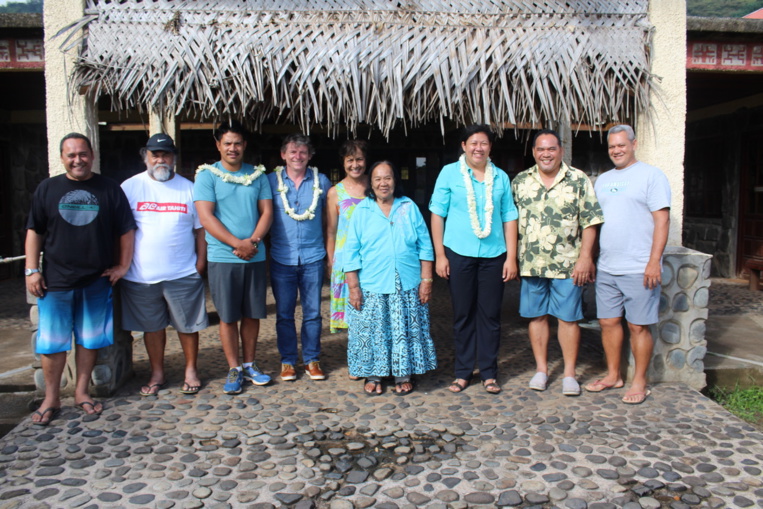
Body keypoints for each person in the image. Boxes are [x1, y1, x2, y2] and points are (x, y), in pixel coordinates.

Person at [25, 133, 136, 425]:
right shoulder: (47, 189)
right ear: (62, 157)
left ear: (92, 155)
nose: (78, 160)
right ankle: (51, 398)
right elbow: (34, 231)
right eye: (72, 155)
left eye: (83, 154)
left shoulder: (109, 189)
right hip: (55, 281)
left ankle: (82, 392)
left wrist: (123, 266)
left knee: (89, 341)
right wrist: (31, 270)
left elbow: (126, 229)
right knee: (52, 344)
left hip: (96, 280)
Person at [512, 129, 604, 396]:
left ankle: (569, 374)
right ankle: (541, 370)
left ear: (560, 151)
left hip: (568, 263)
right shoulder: (520, 181)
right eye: (541, 149)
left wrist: (586, 258)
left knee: (569, 318)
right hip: (532, 263)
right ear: (533, 152)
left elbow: (590, 221)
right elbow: (511, 223)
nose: (546, 154)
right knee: (536, 316)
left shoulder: (578, 179)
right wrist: (512, 258)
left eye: (551, 149)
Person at [429, 124, 519, 395]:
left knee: (490, 316)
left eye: (484, 143)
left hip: (494, 256)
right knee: (463, 314)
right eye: (473, 143)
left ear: (490, 147)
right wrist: (440, 255)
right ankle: (463, 372)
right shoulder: (449, 173)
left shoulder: (500, 177)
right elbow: (437, 214)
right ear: (464, 146)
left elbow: (509, 216)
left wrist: (511, 258)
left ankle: (490, 373)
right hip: (458, 253)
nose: (479, 148)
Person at [586, 124, 671, 405]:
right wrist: (592, 258)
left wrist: (654, 262)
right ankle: (613, 375)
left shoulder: (652, 176)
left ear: (634, 144)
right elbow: (596, 224)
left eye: (622, 145)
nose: (617, 150)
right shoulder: (603, 180)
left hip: (639, 267)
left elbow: (662, 220)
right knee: (608, 322)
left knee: (638, 326)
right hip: (608, 265)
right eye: (612, 146)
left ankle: (639, 381)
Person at [120, 134, 208, 396]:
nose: (161, 160)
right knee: (152, 327)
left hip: (183, 272)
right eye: (155, 155)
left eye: (166, 155)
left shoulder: (189, 188)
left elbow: (201, 230)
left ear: (174, 159)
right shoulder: (129, 187)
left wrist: (200, 263)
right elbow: (121, 231)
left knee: (188, 326)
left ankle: (191, 369)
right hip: (141, 276)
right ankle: (157, 372)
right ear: (145, 157)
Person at [193, 122, 273, 395]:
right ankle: (234, 367)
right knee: (228, 316)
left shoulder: (258, 175)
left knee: (252, 314)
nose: (232, 148)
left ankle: (250, 364)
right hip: (223, 257)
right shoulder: (207, 176)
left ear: (244, 145)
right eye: (227, 143)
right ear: (218, 145)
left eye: (237, 143)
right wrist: (236, 244)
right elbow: (206, 217)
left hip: (254, 255)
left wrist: (252, 242)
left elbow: (266, 213)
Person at [344, 161, 437, 395]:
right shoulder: (362, 210)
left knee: (403, 330)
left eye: (387, 178)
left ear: (395, 181)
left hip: (405, 280)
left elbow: (425, 245)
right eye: (377, 179)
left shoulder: (408, 207)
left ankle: (403, 374)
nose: (383, 183)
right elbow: (351, 251)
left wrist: (426, 280)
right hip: (372, 282)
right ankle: (373, 375)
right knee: (373, 330)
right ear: (371, 183)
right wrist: (353, 287)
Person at [268, 134, 332, 382]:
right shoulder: (270, 182)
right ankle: (287, 361)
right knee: (284, 313)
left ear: (310, 156)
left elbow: (329, 220)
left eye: (303, 152)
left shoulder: (322, 181)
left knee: (313, 312)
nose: (298, 156)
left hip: (313, 257)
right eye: (292, 151)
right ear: (283, 154)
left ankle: (312, 359)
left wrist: (330, 253)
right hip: (281, 258)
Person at [326, 140, 369, 335]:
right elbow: (331, 231)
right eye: (350, 160)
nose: (355, 164)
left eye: (359, 159)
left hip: (373, 257)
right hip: (345, 260)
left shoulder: (375, 186)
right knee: (352, 313)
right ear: (343, 162)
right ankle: (357, 359)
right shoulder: (335, 193)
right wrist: (331, 260)